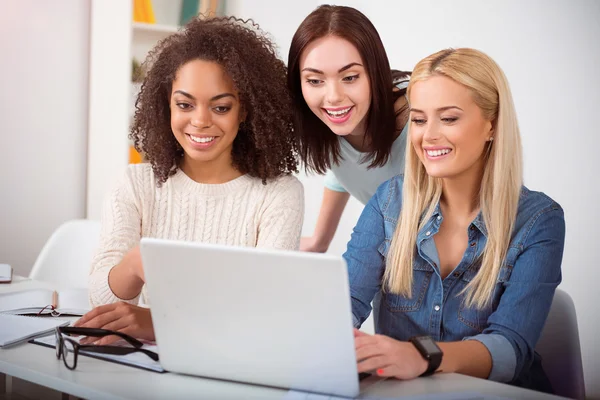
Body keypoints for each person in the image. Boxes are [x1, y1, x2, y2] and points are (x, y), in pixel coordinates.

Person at [347, 48, 565, 393]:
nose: (428, 135)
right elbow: (344, 304)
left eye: (448, 118)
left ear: (491, 126)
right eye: (419, 120)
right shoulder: (389, 202)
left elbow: (510, 347)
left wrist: (421, 355)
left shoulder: (539, 220)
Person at [75, 17, 304, 344]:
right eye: (184, 104)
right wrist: (136, 264)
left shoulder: (279, 194)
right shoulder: (136, 183)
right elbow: (103, 308)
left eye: (221, 107)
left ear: (244, 111)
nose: (200, 121)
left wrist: (159, 324)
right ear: (166, 103)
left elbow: (260, 313)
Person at [287, 5, 411, 252]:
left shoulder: (421, 115)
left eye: (350, 77)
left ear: (374, 72)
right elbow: (347, 164)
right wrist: (319, 239)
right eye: (314, 81)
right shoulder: (327, 124)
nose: (333, 97)